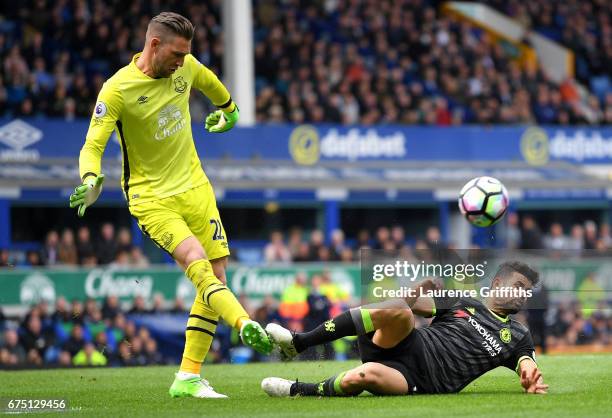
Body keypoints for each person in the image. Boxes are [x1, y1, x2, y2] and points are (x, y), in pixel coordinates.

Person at [68, 12, 271, 398]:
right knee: (196, 262)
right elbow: (92, 144)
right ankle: (243, 323)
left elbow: (210, 83)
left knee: (216, 274)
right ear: (154, 45)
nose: (182, 62)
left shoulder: (186, 67)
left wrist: (229, 111)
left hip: (195, 187)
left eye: (186, 55)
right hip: (151, 197)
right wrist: (90, 179)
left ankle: (188, 377)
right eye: (176, 53)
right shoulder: (116, 90)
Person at [263, 261, 548, 397]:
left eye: (528, 291)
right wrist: (417, 289)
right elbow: (408, 304)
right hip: (403, 342)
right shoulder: (462, 301)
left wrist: (529, 378)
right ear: (497, 284)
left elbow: (526, 364)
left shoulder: (518, 335)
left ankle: (297, 389)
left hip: (422, 380)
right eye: (519, 286)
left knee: (364, 375)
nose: (523, 294)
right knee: (400, 309)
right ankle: (298, 342)